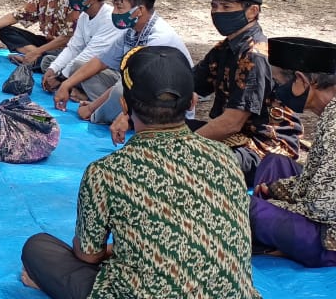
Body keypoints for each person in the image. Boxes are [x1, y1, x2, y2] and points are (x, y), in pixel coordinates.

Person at [21, 46, 261, 299]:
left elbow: (88, 254)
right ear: (192, 102)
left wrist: (126, 249)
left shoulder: (106, 172)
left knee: (39, 248)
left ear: (124, 106)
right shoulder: (225, 157)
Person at [186, 0, 300, 185]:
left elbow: (231, 123)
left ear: (252, 11)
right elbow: (188, 83)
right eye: (214, 5)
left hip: (265, 147)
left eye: (226, 6)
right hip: (234, 138)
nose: (217, 12)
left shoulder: (255, 56)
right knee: (161, 129)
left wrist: (184, 145)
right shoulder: (225, 48)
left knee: (191, 162)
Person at [52, 0, 191, 127]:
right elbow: (101, 61)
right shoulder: (131, 31)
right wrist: (66, 85)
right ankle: (111, 109)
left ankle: (112, 115)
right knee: (81, 67)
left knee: (120, 90)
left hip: (164, 100)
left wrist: (92, 108)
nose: (115, 12)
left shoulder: (158, 39)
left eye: (119, 7)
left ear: (140, 10)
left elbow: (129, 85)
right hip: (135, 86)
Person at [250, 36, 336, 268]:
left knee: (242, 207)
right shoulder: (330, 114)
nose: (278, 91)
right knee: (275, 161)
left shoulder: (334, 123)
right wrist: (277, 189)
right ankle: (269, 239)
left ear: (301, 80)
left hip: (328, 241)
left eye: (278, 83)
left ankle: (267, 238)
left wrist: (279, 203)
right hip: (323, 209)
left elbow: (321, 207)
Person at [42, 0, 123, 98]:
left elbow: (90, 55)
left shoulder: (109, 19)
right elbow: (74, 47)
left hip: (107, 71)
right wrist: (53, 69)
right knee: (48, 62)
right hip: (86, 64)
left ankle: (87, 95)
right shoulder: (84, 16)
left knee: (77, 65)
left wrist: (60, 78)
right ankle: (74, 87)